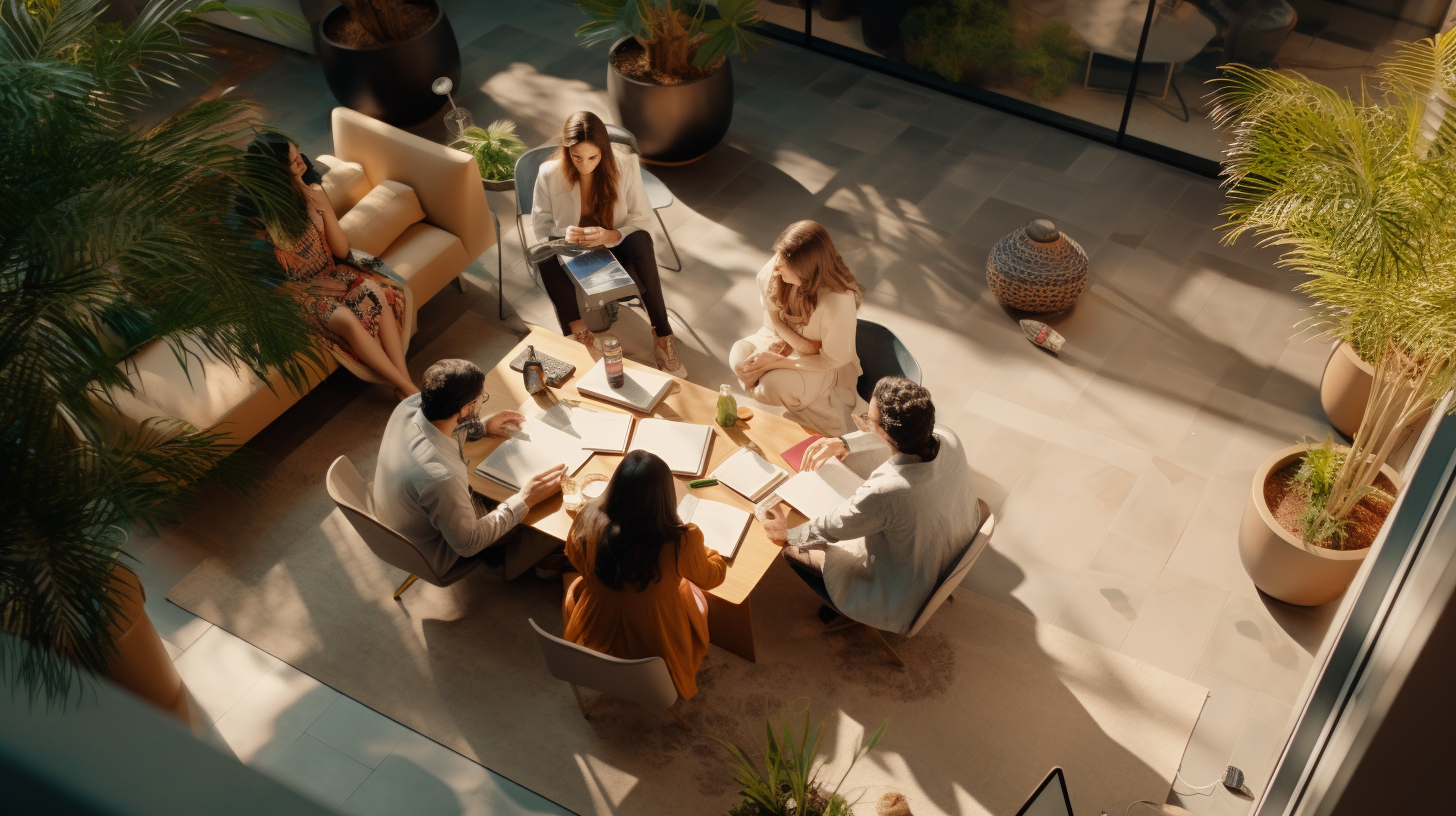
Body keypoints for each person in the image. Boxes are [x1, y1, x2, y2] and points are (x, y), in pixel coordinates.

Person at [762, 377, 981, 635]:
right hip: (947, 551)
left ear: (885, 433)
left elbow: (830, 528)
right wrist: (845, 443)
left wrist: (785, 534)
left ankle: (843, 599)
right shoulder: (948, 438)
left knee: (792, 551)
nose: (865, 422)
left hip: (902, 592)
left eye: (868, 419)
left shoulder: (889, 490)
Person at [246, 133, 417, 397]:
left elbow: (340, 250)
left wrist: (321, 203)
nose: (301, 162)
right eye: (292, 162)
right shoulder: (262, 221)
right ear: (277, 173)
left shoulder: (315, 192)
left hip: (331, 273)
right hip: (297, 293)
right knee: (347, 319)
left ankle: (404, 385)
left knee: (375, 289)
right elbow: (267, 279)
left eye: (298, 152)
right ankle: (408, 389)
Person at [373, 359, 565, 578]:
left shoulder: (410, 405)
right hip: (437, 547)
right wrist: (525, 499)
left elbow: (445, 426)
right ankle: (524, 563)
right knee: (548, 509)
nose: (482, 401)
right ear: (466, 408)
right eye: (481, 398)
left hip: (398, 517)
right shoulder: (439, 477)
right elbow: (469, 544)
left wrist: (482, 427)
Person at [531, 111, 686, 377]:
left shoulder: (625, 164)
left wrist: (611, 235)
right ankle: (579, 335)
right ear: (566, 150)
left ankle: (662, 336)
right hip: (573, 248)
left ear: (604, 150)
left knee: (640, 239)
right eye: (576, 157)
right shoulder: (549, 172)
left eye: (593, 157)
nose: (585, 165)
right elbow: (541, 225)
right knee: (544, 254)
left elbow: (643, 219)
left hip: (615, 244)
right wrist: (563, 232)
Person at [562, 451, 727, 698]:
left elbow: (574, 557)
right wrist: (701, 550)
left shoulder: (587, 517)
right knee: (692, 592)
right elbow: (713, 576)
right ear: (665, 496)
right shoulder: (681, 540)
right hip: (656, 639)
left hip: (595, 631)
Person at [728, 220, 862, 435]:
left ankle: (808, 406)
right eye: (778, 259)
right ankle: (761, 374)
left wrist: (778, 361)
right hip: (783, 337)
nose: (777, 268)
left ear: (806, 268)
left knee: (772, 385)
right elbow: (773, 323)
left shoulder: (837, 301)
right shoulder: (776, 270)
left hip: (823, 364)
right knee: (738, 358)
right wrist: (775, 346)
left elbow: (828, 358)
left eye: (784, 266)